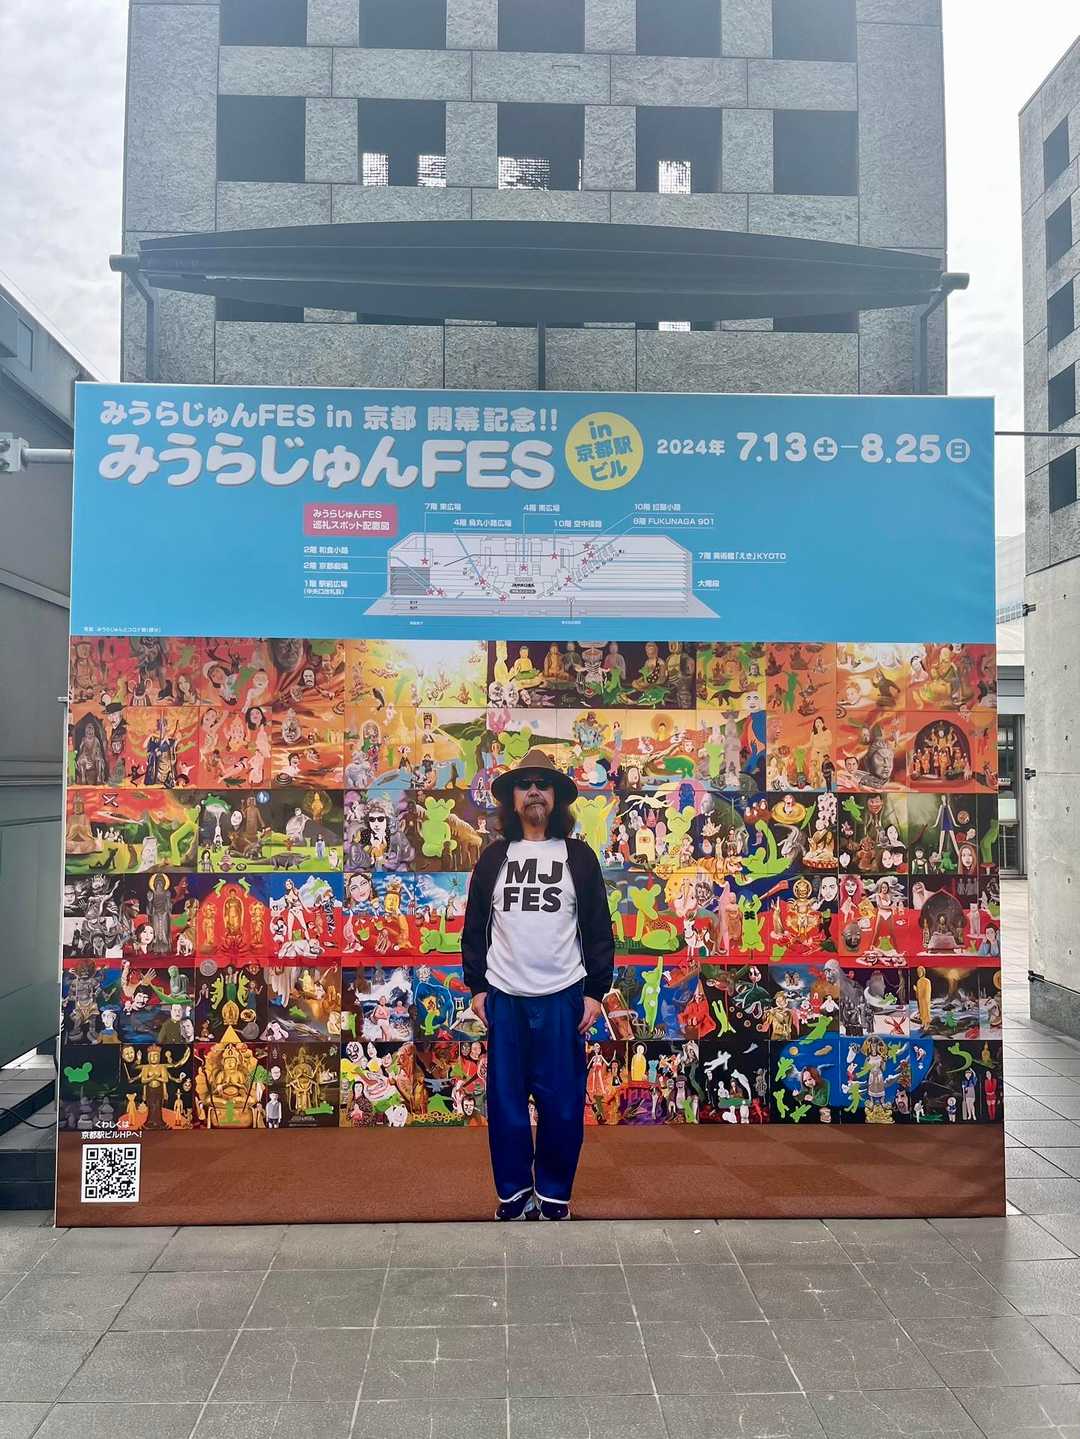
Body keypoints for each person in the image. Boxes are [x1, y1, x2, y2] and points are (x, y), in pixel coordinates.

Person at [462, 748, 614, 1221]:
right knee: (506, 1105)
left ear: (556, 797)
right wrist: (478, 988)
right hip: (505, 998)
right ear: (512, 798)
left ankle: (552, 1195)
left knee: (563, 1106)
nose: (533, 792)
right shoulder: (494, 858)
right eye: (524, 784)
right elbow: (474, 928)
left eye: (542, 784)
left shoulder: (578, 857)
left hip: (563, 998)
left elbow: (598, 928)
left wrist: (595, 992)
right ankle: (513, 1195)